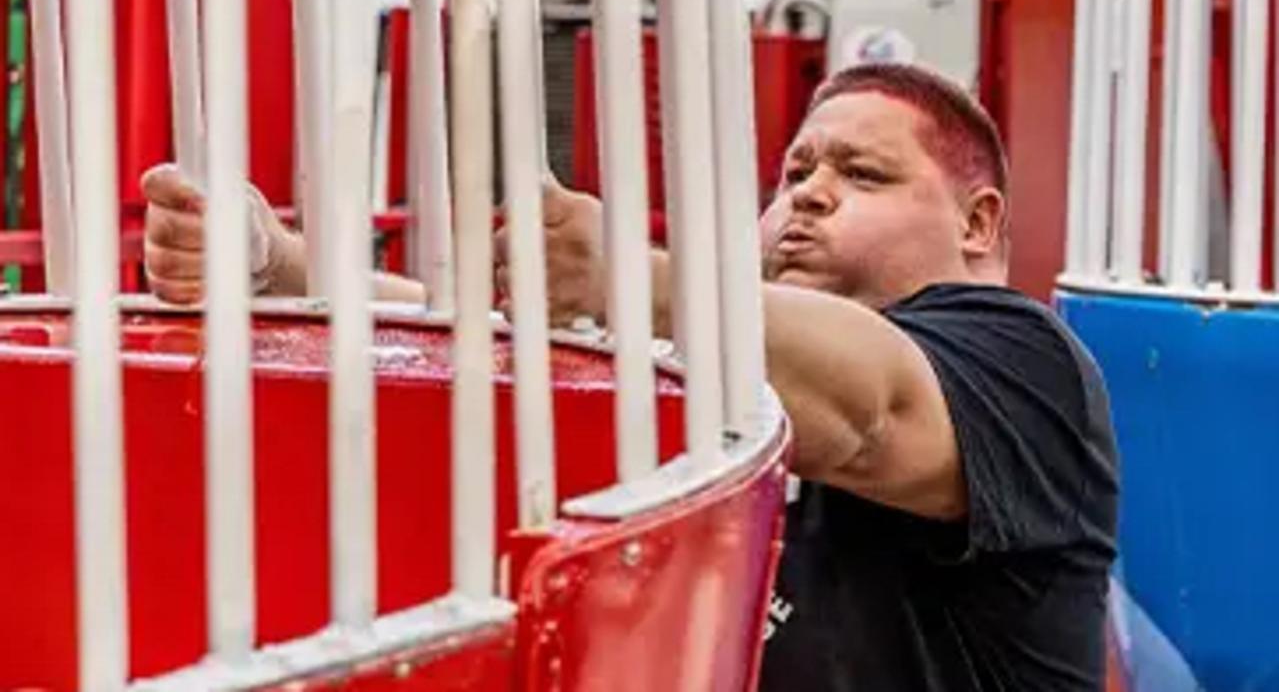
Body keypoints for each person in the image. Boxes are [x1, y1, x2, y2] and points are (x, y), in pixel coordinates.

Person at [143, 62, 1119, 691]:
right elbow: (499, 342)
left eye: (861, 177)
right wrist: (282, 264)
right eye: (791, 176)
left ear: (978, 224)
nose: (810, 194)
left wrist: (633, 280)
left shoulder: (1022, 360)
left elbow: (873, 410)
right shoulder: (731, 366)